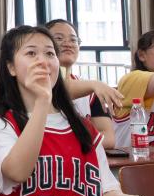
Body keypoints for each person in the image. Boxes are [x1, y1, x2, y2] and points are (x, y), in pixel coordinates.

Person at [0, 26, 154, 196]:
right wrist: (43, 100)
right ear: (11, 67)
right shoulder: (0, 126)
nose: (43, 61)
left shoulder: (84, 128)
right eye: (31, 53)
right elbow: (17, 172)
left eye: (50, 53)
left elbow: (104, 192)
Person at [44, 19, 118, 149]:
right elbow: (59, 89)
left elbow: (109, 138)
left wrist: (65, 145)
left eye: (73, 40)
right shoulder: (37, 83)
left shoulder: (91, 91)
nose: (67, 44)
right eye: (59, 38)